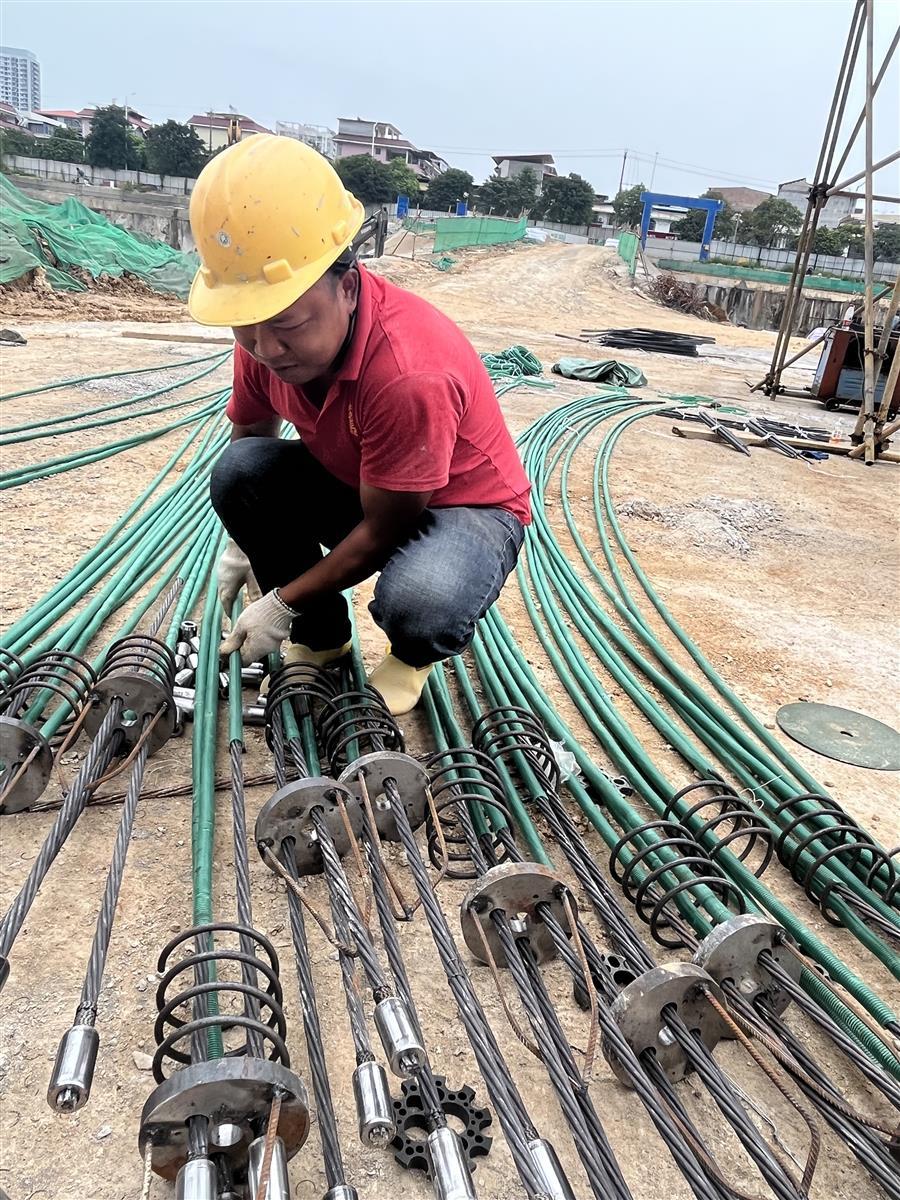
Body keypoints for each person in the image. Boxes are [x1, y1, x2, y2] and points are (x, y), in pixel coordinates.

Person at [188, 135, 530, 715]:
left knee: (422, 598)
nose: (265, 347)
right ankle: (324, 639)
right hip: (368, 482)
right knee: (239, 472)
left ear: (347, 288)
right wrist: (248, 546)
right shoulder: (263, 333)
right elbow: (251, 445)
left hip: (463, 507)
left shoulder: (406, 372)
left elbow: (385, 527)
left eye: (288, 325)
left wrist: (281, 601)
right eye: (246, 327)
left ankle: (411, 655)